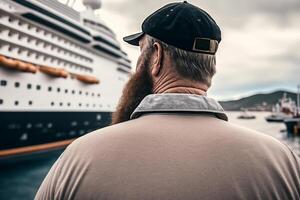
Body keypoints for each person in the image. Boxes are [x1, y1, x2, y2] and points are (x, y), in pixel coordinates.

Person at [35, 1, 300, 199]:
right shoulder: (282, 160)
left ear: (157, 57)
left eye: (141, 53)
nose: (136, 65)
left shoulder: (80, 156)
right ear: (211, 66)